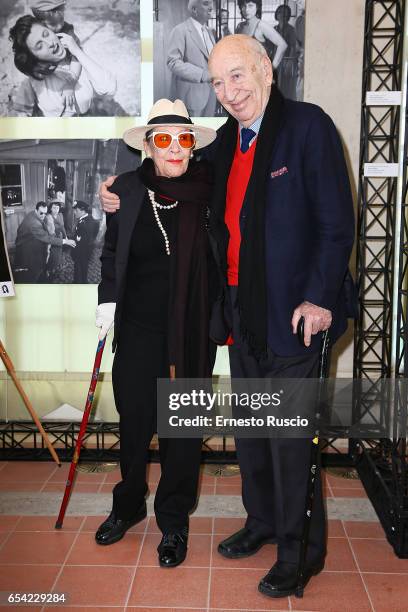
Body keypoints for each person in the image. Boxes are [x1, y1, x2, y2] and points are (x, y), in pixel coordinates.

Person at [99, 34, 355, 598]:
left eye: (236, 76)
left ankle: (298, 552)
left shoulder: (308, 127)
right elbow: (167, 168)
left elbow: (338, 225)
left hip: (295, 315)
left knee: (289, 439)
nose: (228, 92)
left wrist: (320, 299)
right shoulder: (226, 146)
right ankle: (263, 523)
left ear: (265, 70)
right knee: (254, 433)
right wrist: (114, 189)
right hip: (241, 314)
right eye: (216, 82)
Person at [95, 99, 217, 568]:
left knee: (181, 434)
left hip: (191, 333)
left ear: (192, 147)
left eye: (182, 139)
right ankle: (126, 507)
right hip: (139, 331)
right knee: (134, 425)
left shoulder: (210, 190)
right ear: (147, 145)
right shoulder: (124, 189)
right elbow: (111, 254)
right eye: (162, 138)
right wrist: (107, 300)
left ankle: (174, 521)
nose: (173, 148)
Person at [9, 15, 116, 117]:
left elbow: (110, 88)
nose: (50, 43)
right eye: (40, 46)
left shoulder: (78, 59)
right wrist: (53, 70)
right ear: (33, 56)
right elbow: (20, 118)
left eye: (46, 34)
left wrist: (77, 52)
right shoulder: (33, 80)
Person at [166, 0, 217, 116]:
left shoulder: (209, 32)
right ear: (194, 9)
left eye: (211, 4)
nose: (210, 8)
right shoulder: (180, 30)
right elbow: (173, 62)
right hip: (191, 99)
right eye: (205, 4)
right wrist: (203, 74)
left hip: (211, 96)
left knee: (207, 133)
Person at [14, 201, 75, 282]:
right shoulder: (34, 224)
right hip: (26, 247)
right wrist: (65, 241)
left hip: (28, 241)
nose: (43, 216)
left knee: (37, 264)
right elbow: (47, 238)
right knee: (33, 269)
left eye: (45, 213)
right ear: (36, 210)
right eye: (41, 213)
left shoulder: (32, 213)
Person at [235, 0, 287, 70]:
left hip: (258, 72)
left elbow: (283, 45)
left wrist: (272, 68)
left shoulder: (261, 25)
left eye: (250, 6)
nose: (247, 9)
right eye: (243, 6)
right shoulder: (240, 26)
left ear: (257, 7)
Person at [274, 4, 299, 100]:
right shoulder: (274, 29)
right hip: (276, 61)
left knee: (286, 86)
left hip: (286, 61)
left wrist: (289, 62)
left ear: (288, 16)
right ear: (277, 14)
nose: (282, 15)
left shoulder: (291, 29)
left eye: (285, 13)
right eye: (280, 12)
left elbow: (293, 46)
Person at [71, 200, 99, 284]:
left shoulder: (85, 223)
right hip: (86, 251)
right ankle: (80, 282)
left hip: (81, 252)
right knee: (83, 269)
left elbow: (83, 240)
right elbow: (94, 234)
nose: (74, 212)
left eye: (76, 210)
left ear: (83, 210)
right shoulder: (90, 219)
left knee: (80, 269)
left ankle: (79, 284)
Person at [44, 200, 67, 281]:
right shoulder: (48, 217)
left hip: (60, 238)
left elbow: (62, 227)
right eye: (54, 208)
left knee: (57, 256)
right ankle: (48, 271)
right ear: (50, 208)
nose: (56, 210)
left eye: (57, 208)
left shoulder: (61, 215)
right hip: (52, 239)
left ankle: (54, 270)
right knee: (51, 256)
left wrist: (65, 236)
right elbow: (49, 231)